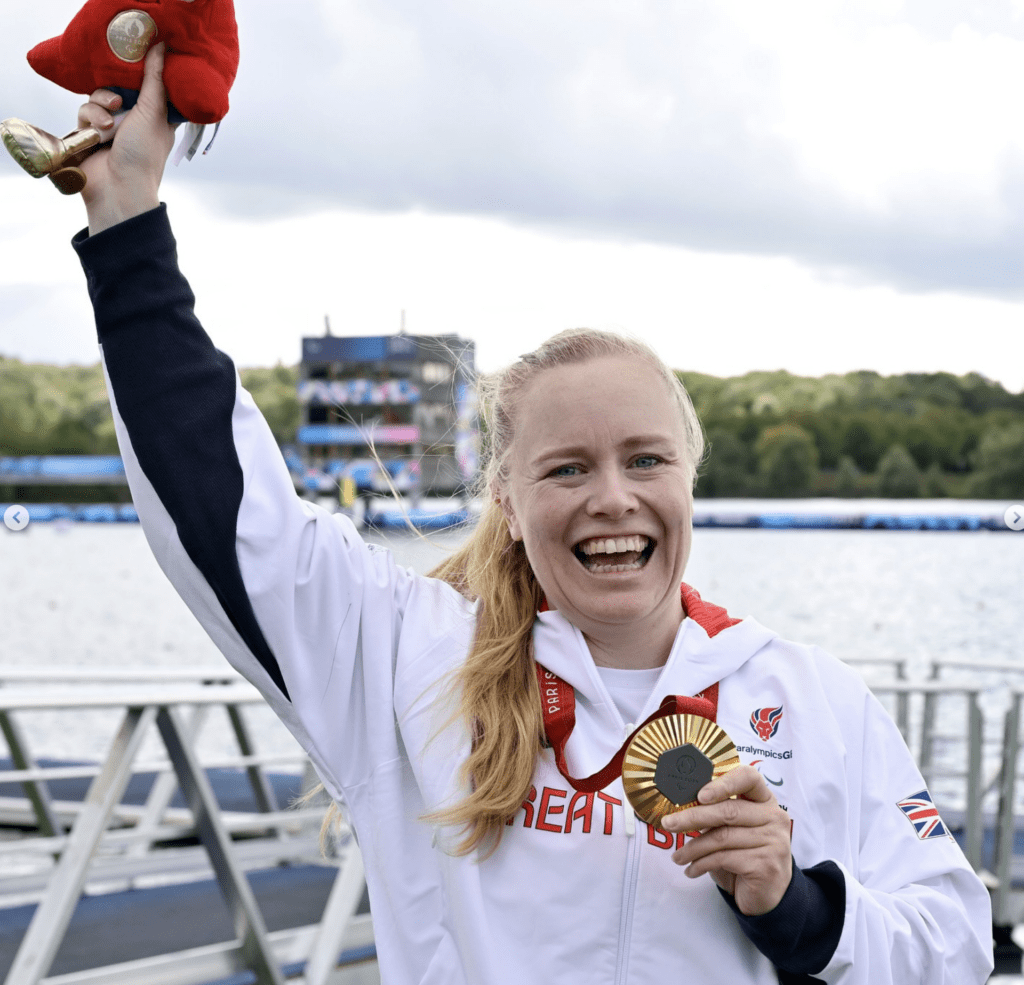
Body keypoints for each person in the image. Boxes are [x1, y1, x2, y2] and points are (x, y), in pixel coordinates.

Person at [68, 45, 993, 985]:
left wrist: (796, 901)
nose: (612, 498)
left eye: (645, 459)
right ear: (506, 502)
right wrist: (127, 220)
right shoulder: (410, 659)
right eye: (566, 469)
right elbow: (228, 511)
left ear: (689, 475)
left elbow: (955, 946)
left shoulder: (814, 700)